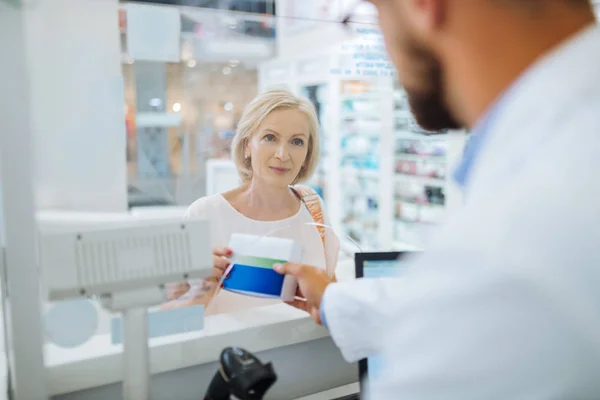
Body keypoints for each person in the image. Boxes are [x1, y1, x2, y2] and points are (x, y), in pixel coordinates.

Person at [275, 0, 600, 398]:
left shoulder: (514, 235)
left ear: (423, 5)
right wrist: (334, 299)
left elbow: (480, 303)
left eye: (374, 14)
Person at [162, 89, 339, 315]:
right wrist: (202, 291)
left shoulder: (313, 207)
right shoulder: (204, 214)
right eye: (270, 138)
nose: (283, 154)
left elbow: (332, 298)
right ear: (247, 145)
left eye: (296, 141)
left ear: (307, 153)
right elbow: (167, 322)